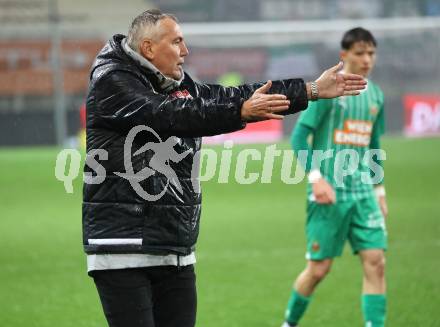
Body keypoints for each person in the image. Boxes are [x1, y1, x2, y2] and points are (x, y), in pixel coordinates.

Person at [83, 9, 366, 327]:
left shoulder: (175, 83)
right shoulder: (113, 81)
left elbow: (229, 95)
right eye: (177, 42)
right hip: (124, 246)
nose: (185, 51)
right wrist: (241, 112)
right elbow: (172, 115)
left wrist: (310, 90)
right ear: (148, 48)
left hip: (174, 245)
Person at [281, 27, 388, 327]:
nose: (367, 59)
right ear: (344, 55)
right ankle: (289, 323)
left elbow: (374, 147)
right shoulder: (331, 90)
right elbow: (300, 137)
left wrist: (379, 190)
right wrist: (316, 178)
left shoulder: (377, 95)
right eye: (360, 52)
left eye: (371, 53)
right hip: (329, 192)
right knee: (318, 269)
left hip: (363, 192)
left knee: (376, 262)